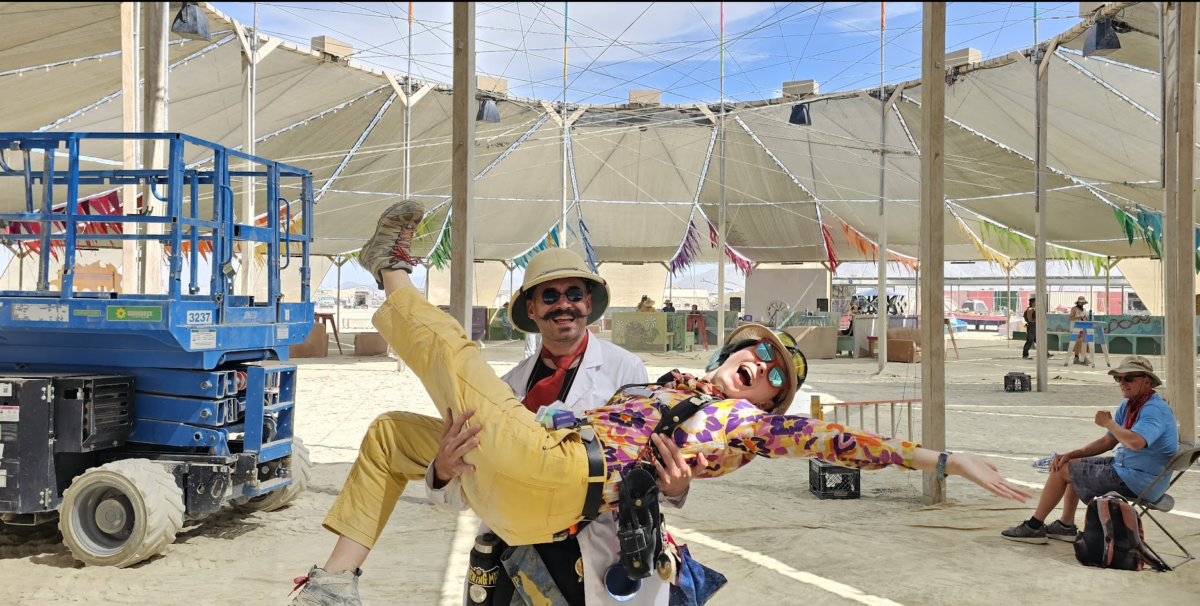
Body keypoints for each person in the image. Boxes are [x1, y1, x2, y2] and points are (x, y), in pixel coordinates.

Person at [289, 201, 1034, 603]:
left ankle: (390, 271)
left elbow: (841, 443)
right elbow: (471, 472)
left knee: (454, 353)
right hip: (513, 493)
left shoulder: (744, 423)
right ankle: (334, 583)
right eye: (753, 352)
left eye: (772, 376)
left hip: (566, 489)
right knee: (392, 434)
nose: (757, 367)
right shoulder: (655, 384)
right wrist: (445, 470)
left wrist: (944, 459)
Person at [426, 248, 690, 606]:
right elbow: (470, 490)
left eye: (574, 294)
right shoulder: (505, 388)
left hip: (596, 557)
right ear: (532, 309)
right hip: (518, 558)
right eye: (550, 296)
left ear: (588, 303)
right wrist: (442, 472)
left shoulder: (626, 372)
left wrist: (676, 488)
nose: (564, 305)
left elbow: (647, 468)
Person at [1000, 356, 1178, 544]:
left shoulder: (1153, 410)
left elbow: (1135, 443)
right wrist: (1071, 454)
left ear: (1147, 381)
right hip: (1134, 472)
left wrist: (1108, 422)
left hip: (1140, 481)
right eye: (1118, 378)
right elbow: (1107, 442)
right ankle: (1065, 526)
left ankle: (1033, 527)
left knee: (1060, 470)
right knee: (1068, 464)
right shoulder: (1130, 405)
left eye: (1129, 378)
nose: (1122, 383)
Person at [1069, 296, 1090, 365]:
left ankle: (1076, 357)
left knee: (1079, 344)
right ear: (1078, 302)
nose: (1081, 303)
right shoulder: (1074, 309)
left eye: (1082, 302)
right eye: (1080, 302)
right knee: (1080, 342)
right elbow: (1070, 318)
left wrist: (1086, 318)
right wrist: (1078, 318)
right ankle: (1083, 357)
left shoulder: (1084, 310)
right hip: (1075, 328)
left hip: (1082, 328)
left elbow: (1085, 319)